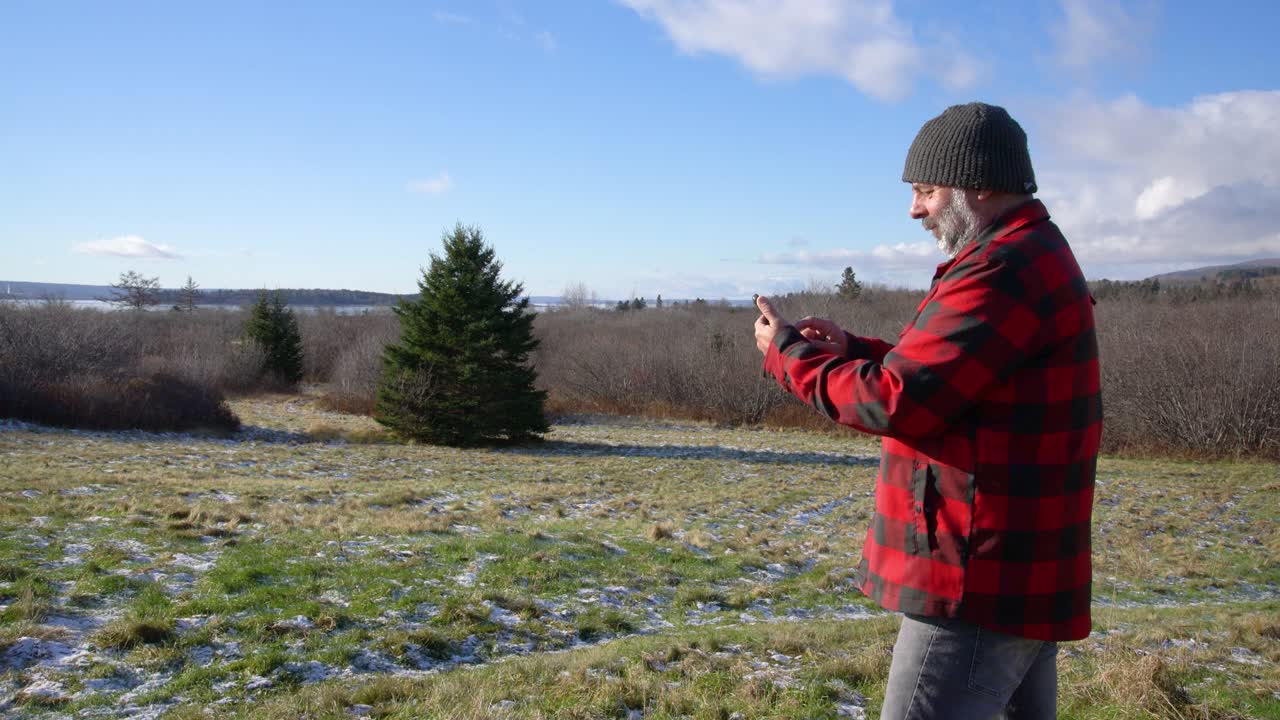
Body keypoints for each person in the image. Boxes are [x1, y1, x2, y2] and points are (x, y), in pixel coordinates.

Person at [752, 102, 1102, 719]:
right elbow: (961, 380)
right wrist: (855, 350)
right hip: (1011, 573)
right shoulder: (1028, 252)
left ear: (980, 184)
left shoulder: (1001, 268)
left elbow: (897, 401)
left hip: (974, 583)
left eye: (927, 191)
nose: (915, 209)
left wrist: (787, 355)